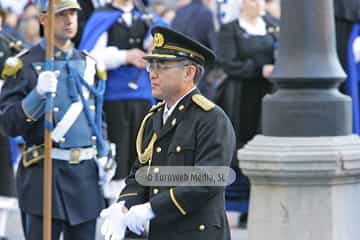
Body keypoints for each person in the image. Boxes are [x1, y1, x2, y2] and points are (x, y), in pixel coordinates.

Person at [99, 26, 236, 240]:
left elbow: (209, 179)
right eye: (151, 65)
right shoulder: (154, 117)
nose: (153, 73)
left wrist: (152, 208)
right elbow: (140, 174)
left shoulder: (211, 118)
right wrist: (124, 205)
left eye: (162, 66)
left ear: (189, 72)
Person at [0, 0, 115, 239]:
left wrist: (104, 153)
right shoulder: (24, 64)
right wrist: (36, 96)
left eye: (72, 13)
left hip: (84, 179)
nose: (69, 19)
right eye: (61, 14)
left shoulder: (88, 63)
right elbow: (8, 124)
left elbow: (96, 115)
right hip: (44, 179)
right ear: (44, 20)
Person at [79, 0, 167, 197]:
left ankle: (137, 207)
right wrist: (124, 56)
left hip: (144, 95)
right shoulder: (102, 15)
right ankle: (115, 206)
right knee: (117, 155)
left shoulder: (146, 16)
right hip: (113, 96)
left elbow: (164, 38)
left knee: (142, 154)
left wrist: (158, 47)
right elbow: (89, 56)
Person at [215, 0, 279, 228]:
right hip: (241, 97)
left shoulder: (273, 24)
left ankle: (261, 202)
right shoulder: (230, 29)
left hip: (269, 94)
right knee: (241, 147)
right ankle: (240, 206)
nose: (258, 4)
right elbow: (228, 63)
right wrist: (259, 69)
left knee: (266, 144)